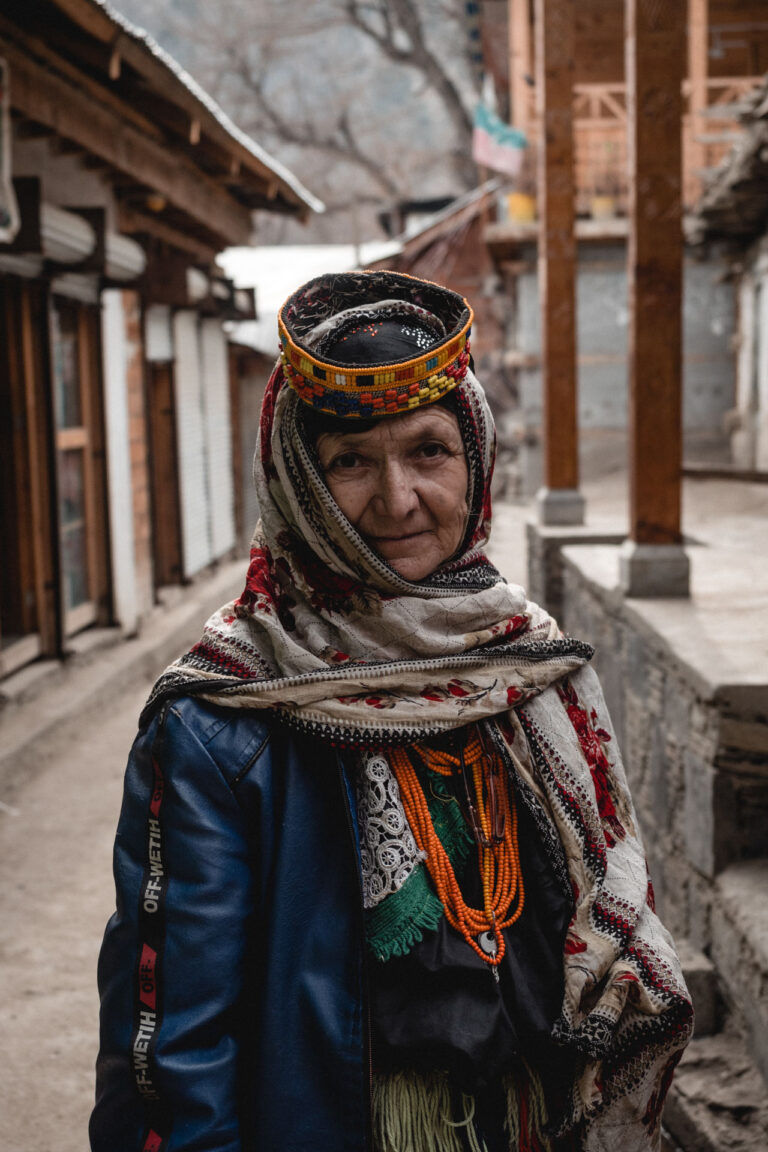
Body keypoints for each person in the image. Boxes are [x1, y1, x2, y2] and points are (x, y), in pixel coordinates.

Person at [90, 271, 692, 1152]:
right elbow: (173, 1046)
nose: (399, 499)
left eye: (429, 452)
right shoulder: (223, 720)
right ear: (297, 478)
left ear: (477, 458)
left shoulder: (531, 666)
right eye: (350, 461)